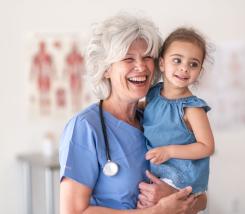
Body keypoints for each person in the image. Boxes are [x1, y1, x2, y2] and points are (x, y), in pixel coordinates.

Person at [59, 13, 207, 214]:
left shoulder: (157, 118)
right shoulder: (85, 128)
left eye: (147, 57)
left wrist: (174, 195)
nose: (141, 66)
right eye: (128, 58)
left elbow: (202, 199)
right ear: (106, 69)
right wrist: (156, 211)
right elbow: (73, 212)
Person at [141, 27, 215, 201]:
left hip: (181, 178)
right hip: (158, 171)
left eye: (193, 64)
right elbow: (149, 111)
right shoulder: (153, 94)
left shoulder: (192, 108)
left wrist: (170, 151)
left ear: (200, 72)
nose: (184, 69)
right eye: (177, 60)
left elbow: (207, 146)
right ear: (161, 63)